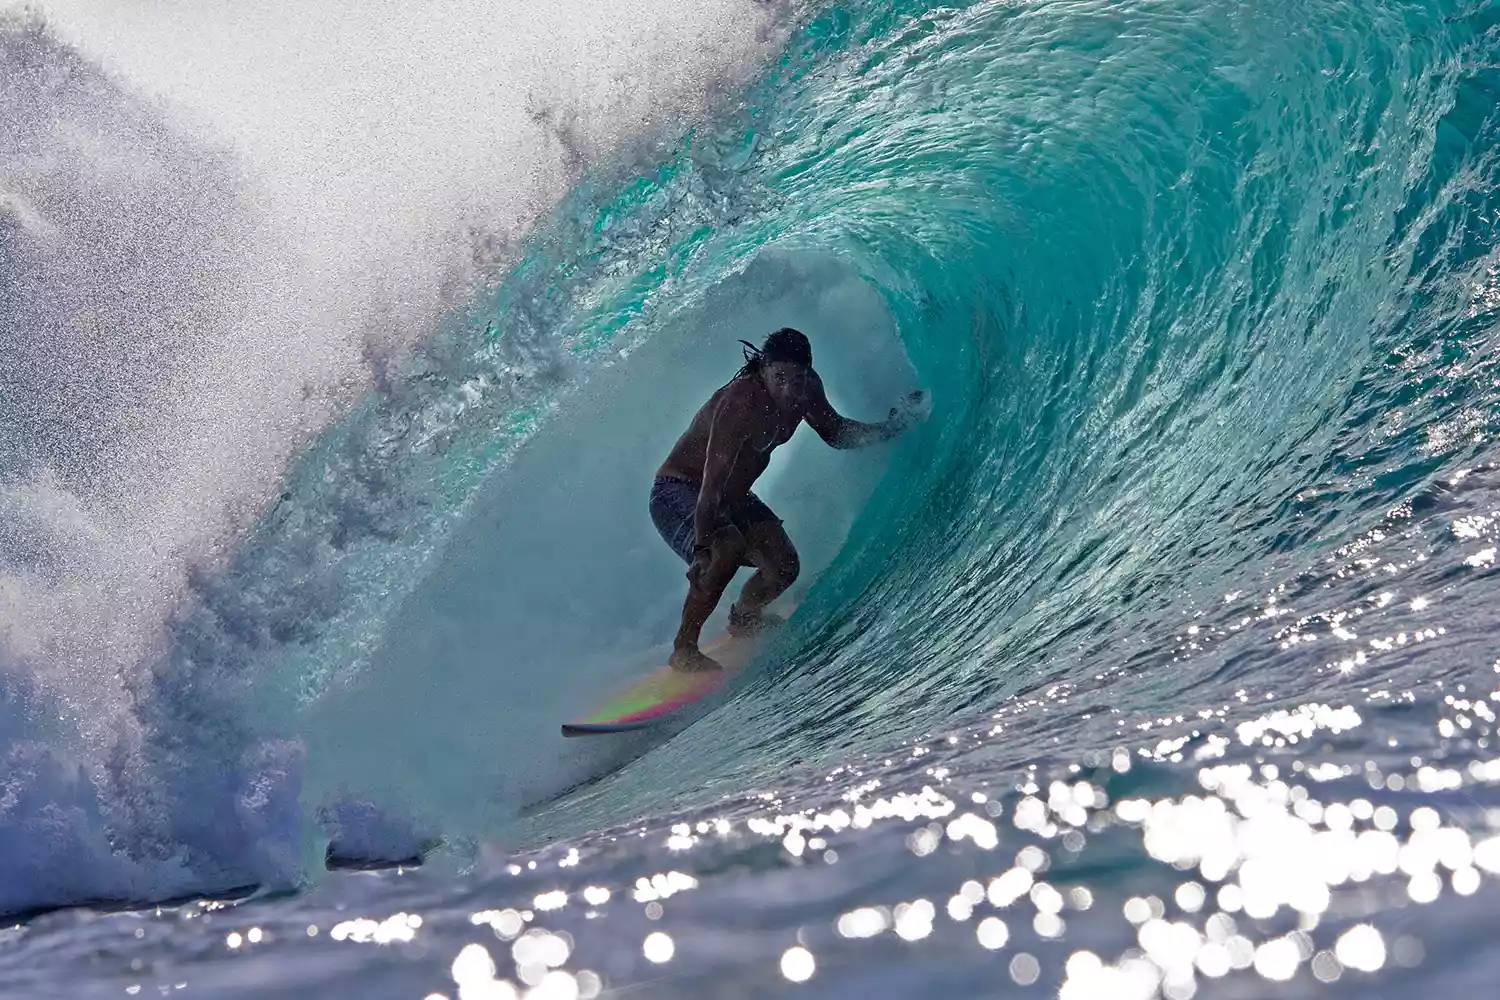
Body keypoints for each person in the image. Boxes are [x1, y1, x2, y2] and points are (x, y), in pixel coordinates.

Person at [650, 327, 929, 671]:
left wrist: (888, 428)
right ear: (764, 369)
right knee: (725, 547)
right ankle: (683, 650)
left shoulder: (806, 393)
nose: (789, 388)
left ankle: (744, 619)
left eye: (797, 378)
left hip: (733, 497)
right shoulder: (738, 404)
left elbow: (837, 434)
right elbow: (711, 487)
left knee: (783, 567)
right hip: (679, 491)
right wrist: (701, 549)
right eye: (780, 377)